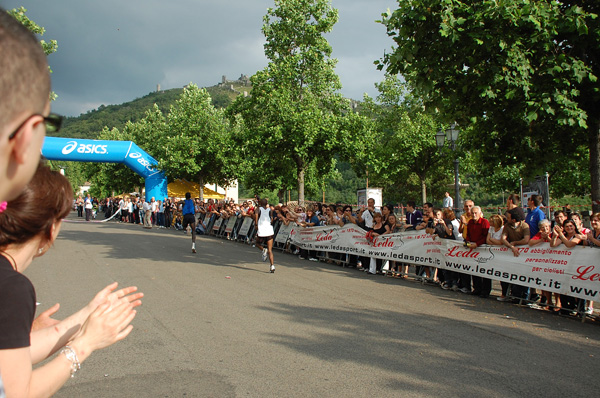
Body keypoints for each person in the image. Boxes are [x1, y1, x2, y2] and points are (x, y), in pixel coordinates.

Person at [0, 163, 143, 397]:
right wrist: (85, 344)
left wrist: (85, 315)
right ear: (50, 228)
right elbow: (16, 392)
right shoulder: (12, 288)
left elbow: (8, 355)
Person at [501, 207, 531, 301]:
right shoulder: (507, 226)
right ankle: (512, 294)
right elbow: (503, 239)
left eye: (509, 217)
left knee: (522, 275)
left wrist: (515, 243)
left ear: (514, 219)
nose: (507, 219)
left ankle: (524, 297)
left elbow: (526, 239)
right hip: (512, 252)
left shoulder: (524, 226)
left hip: (523, 254)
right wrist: (511, 247)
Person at [465, 206, 491, 297]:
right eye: (472, 213)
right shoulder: (470, 222)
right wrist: (468, 241)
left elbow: (486, 236)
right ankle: (477, 288)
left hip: (483, 248)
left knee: (485, 269)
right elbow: (468, 234)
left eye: (476, 213)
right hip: (473, 248)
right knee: (474, 268)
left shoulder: (485, 222)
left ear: (480, 213)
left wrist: (477, 244)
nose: (474, 215)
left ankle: (485, 290)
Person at [254, 198, 275, 273]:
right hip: (269, 230)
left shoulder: (258, 209)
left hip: (261, 229)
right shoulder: (270, 209)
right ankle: (272, 266)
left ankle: (263, 249)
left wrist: (256, 224)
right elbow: (271, 219)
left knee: (257, 243)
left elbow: (256, 217)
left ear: (260, 203)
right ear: (266, 203)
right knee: (270, 250)